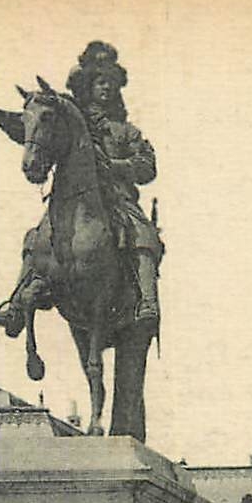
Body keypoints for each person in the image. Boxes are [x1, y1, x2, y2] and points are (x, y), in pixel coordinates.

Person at [67, 42, 163, 331]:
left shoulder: (127, 131)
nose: (106, 88)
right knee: (37, 236)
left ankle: (147, 299)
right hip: (75, 199)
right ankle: (22, 296)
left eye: (110, 83)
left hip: (118, 198)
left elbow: (147, 167)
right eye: (99, 82)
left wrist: (118, 167)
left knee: (143, 233)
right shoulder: (74, 123)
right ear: (88, 87)